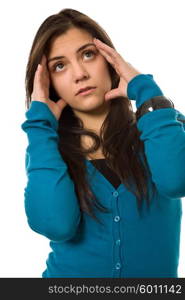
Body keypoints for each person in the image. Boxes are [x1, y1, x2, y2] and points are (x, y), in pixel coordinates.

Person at [21, 8, 185, 278]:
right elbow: (56, 225)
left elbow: (177, 181)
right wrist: (39, 125)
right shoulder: (48, 150)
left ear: (110, 59)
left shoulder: (162, 125)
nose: (80, 74)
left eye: (88, 54)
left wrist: (146, 92)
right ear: (49, 83)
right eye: (59, 66)